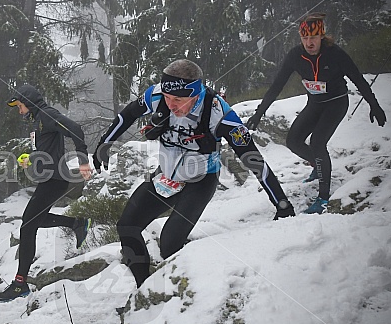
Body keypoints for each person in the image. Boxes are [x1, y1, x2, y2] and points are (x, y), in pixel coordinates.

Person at [92, 59, 295, 289]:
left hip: (200, 182)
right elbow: (126, 115)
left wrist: (282, 203)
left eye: (178, 100)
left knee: (169, 245)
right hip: (166, 177)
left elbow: (253, 159)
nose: (170, 105)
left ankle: (196, 284)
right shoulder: (157, 95)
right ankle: (144, 291)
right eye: (168, 98)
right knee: (127, 227)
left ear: (195, 94)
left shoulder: (218, 112)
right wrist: (104, 144)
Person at [246, 13, 387, 214]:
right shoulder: (296, 55)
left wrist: (374, 105)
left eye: (313, 38)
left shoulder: (335, 54)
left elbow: (358, 79)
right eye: (305, 38)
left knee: (318, 143)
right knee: (293, 141)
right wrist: (259, 114)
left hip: (336, 103)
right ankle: (320, 166)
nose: (309, 43)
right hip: (315, 103)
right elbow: (277, 86)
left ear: (321, 36)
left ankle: (322, 197)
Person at [0, 84, 93, 302]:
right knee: (32, 222)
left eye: (20, 106)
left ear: (28, 103)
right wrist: (31, 157)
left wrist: (83, 161)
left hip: (55, 180)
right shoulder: (39, 121)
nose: (19, 111)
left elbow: (75, 128)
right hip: (50, 179)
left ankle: (20, 284)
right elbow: (50, 149)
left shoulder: (47, 114)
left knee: (28, 226)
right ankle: (76, 223)